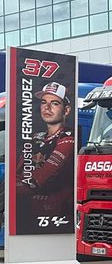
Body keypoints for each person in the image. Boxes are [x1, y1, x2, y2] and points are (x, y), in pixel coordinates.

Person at [22, 82, 75, 218]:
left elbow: (45, 172)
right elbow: (19, 168)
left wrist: (18, 186)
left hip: (57, 207)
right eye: (44, 102)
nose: (47, 107)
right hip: (31, 205)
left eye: (55, 103)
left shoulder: (69, 137)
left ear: (66, 110)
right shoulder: (36, 137)